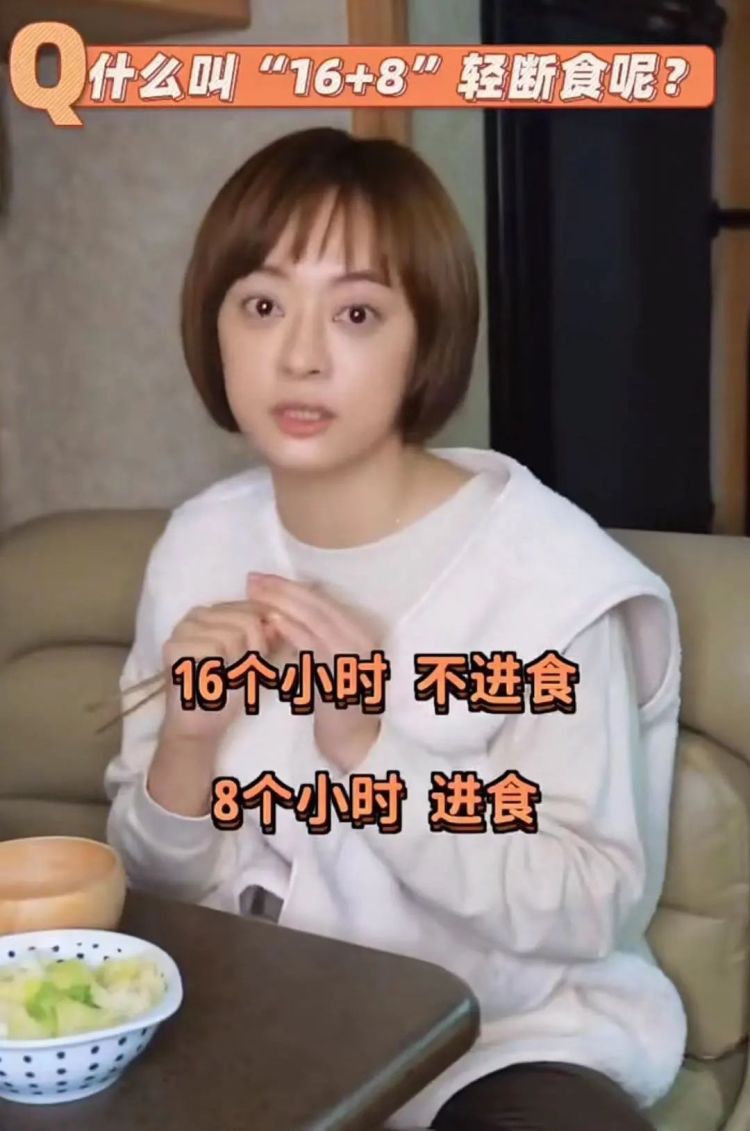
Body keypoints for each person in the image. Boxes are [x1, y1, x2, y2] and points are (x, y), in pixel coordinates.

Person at [104, 126, 686, 1130]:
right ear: (214, 325)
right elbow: (153, 878)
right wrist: (187, 745)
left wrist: (367, 749)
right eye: (262, 305)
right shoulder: (200, 546)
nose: (299, 355)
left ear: (428, 336)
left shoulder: (549, 581)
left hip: (502, 1043)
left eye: (358, 312)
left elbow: (592, 900)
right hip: (265, 1028)